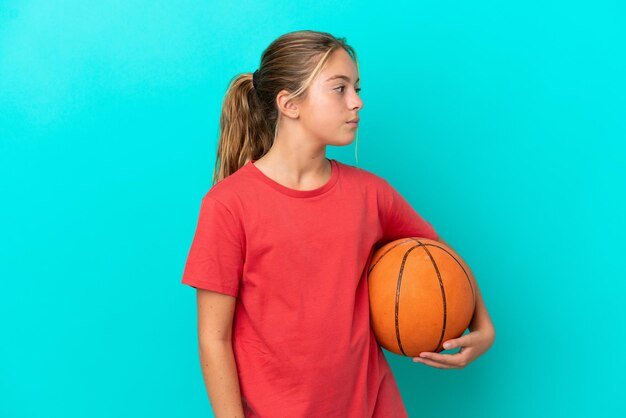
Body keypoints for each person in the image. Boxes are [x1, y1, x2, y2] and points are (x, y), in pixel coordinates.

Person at [181, 30, 495, 418]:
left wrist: (483, 327)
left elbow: (441, 256)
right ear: (289, 104)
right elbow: (214, 338)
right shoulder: (229, 205)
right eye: (340, 88)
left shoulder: (371, 195)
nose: (357, 102)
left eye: (357, 88)